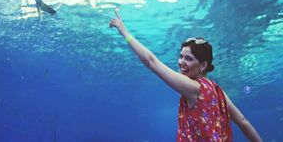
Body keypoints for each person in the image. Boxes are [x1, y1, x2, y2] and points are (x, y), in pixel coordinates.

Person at [109, 9, 263, 142]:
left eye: (188, 59)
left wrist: (124, 31)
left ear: (203, 65)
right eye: (181, 56)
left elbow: (150, 62)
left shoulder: (193, 88)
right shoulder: (218, 91)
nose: (181, 62)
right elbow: (243, 122)